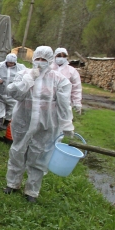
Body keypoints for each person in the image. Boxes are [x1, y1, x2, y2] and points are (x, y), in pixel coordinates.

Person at [4, 46, 74, 203]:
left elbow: (64, 103)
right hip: (23, 121)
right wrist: (29, 80)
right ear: (33, 58)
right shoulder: (23, 74)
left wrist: (67, 123)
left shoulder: (59, 79)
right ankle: (12, 183)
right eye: (38, 59)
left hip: (46, 124)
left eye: (44, 60)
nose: (40, 63)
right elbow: (14, 93)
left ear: (50, 61)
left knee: (40, 155)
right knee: (17, 152)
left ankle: (32, 191)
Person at [0, 53, 27, 130]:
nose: (11, 64)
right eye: (9, 63)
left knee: (12, 108)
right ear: (6, 61)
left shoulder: (21, 67)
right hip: (0, 92)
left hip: (13, 94)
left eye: (13, 63)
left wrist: (19, 84)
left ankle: (6, 124)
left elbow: (26, 76)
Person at [51, 47, 82, 114]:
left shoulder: (72, 71)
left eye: (64, 56)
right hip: (48, 103)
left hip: (65, 103)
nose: (61, 58)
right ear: (54, 56)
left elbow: (76, 88)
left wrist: (77, 103)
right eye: (59, 56)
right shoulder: (49, 68)